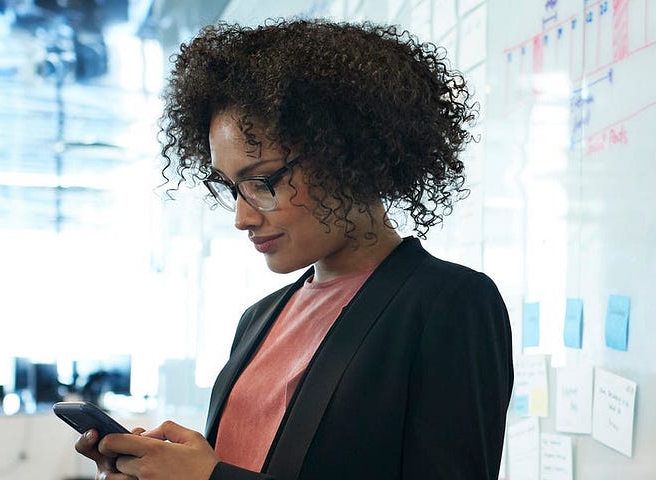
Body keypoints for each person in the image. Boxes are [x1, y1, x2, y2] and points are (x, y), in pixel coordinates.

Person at [74, 19, 513, 480]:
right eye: (231, 187)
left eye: (263, 182)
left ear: (350, 157)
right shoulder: (258, 320)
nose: (242, 217)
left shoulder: (449, 304)